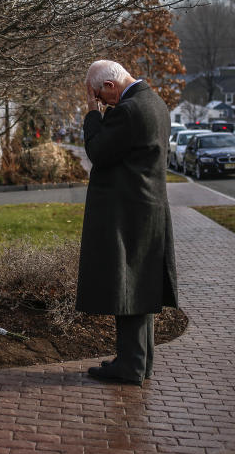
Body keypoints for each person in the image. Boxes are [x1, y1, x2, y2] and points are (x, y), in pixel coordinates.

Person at [77, 60, 179, 386]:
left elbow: (98, 151)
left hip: (129, 212)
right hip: (148, 208)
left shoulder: (129, 111)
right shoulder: (155, 103)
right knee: (140, 287)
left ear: (110, 86)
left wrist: (92, 115)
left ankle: (131, 366)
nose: (102, 103)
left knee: (129, 287)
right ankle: (138, 361)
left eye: (99, 96)